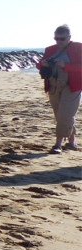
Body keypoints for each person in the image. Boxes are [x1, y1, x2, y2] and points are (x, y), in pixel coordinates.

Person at [38, 24, 80, 153]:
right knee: (59, 115)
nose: (59, 41)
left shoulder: (78, 48)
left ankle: (58, 144)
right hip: (53, 86)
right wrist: (42, 64)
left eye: (62, 39)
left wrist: (65, 66)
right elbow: (40, 65)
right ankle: (72, 142)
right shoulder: (50, 49)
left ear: (69, 37)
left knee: (65, 115)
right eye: (56, 39)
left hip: (72, 86)